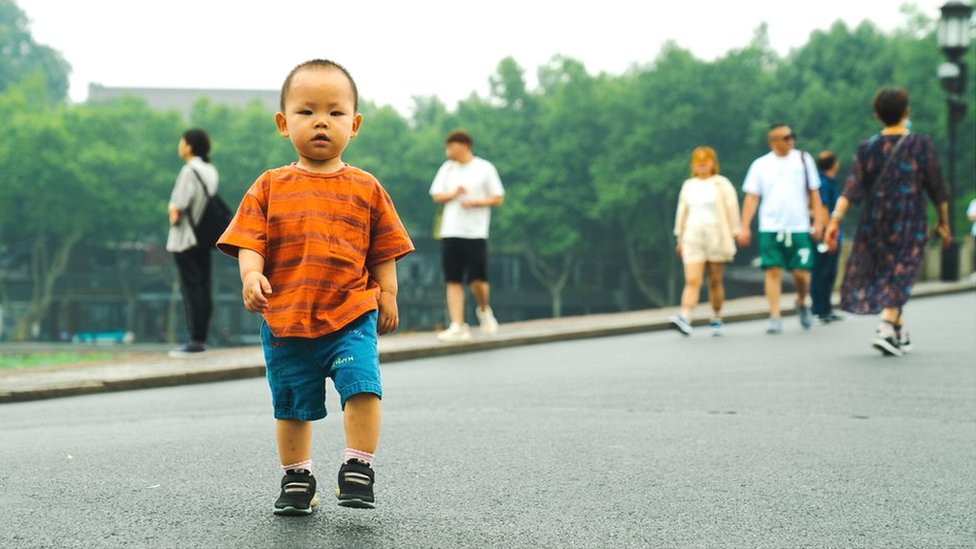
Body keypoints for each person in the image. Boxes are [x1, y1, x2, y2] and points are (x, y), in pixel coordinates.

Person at [216, 59, 414, 515]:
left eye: (335, 112)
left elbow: (383, 247)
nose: (321, 121)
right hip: (286, 319)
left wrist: (388, 293)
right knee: (291, 406)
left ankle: (358, 466)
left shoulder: (366, 188)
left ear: (355, 124)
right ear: (284, 124)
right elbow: (250, 240)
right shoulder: (269, 186)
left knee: (362, 386)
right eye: (306, 112)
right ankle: (297, 477)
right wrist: (251, 275)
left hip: (350, 314)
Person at [825, 87, 950, 357]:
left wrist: (835, 219)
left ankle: (898, 330)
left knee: (889, 272)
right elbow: (936, 187)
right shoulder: (919, 145)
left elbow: (852, 187)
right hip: (910, 219)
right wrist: (943, 221)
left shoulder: (867, 148)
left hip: (876, 222)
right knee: (902, 272)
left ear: (876, 115)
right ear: (907, 112)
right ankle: (885, 326)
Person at [737, 124, 827, 334]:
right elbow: (752, 197)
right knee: (772, 270)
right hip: (771, 226)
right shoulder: (760, 165)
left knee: (801, 273)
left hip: (799, 225)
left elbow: (814, 193)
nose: (790, 141)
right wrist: (744, 227)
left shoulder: (803, 160)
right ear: (773, 142)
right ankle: (774, 315)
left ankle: (803, 301)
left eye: (791, 137)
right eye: (785, 138)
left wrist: (819, 221)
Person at [429, 130, 505, 342]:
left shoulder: (484, 168)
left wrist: (477, 202)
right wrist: (454, 194)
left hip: (475, 232)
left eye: (451, 147)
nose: (448, 151)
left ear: (464, 146)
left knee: (477, 280)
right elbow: (436, 195)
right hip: (451, 230)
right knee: (453, 279)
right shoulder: (447, 169)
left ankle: (483, 309)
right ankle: (458, 324)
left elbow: (498, 197)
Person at [669, 146, 740, 336]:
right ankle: (685, 315)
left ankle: (716, 316)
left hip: (716, 234)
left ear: (712, 163)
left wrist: (735, 231)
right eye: (698, 160)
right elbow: (682, 212)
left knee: (715, 281)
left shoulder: (721, 184)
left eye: (705, 160)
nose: (701, 163)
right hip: (693, 234)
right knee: (692, 279)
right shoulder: (689, 185)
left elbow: (732, 208)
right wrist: (680, 236)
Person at [166, 128, 219, 357]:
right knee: (204, 287)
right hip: (204, 238)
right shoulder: (210, 170)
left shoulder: (189, 170)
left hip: (186, 238)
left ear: (190, 146)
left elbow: (178, 206)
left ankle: (194, 340)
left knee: (191, 289)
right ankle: (201, 336)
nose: (180, 145)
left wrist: (172, 213)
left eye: (182, 141)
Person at [810, 151, 843, 323]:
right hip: (827, 234)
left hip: (831, 232)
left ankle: (827, 308)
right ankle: (819, 309)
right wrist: (826, 234)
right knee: (821, 272)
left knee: (829, 272)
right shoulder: (822, 183)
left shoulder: (828, 182)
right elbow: (822, 208)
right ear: (834, 164)